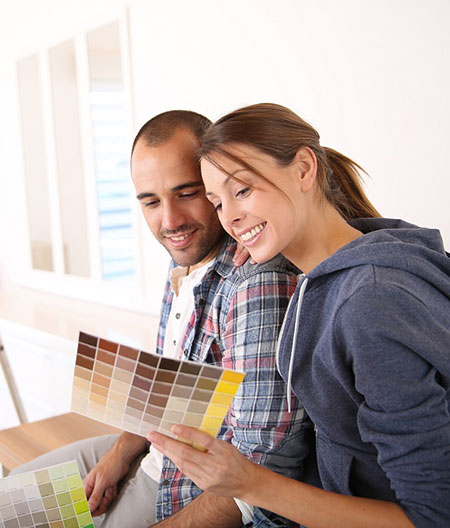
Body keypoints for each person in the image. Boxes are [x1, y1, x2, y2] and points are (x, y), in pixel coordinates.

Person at [148, 103, 450, 528]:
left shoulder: (370, 304)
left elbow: (430, 518)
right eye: (217, 203)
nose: (230, 218)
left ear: (305, 169)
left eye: (242, 190)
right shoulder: (332, 272)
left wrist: (248, 482)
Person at [11, 110, 310, 528]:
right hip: (153, 453)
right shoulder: (182, 261)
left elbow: (263, 470)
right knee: (10, 506)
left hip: (184, 494)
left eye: (186, 193)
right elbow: (170, 392)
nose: (170, 221)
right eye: (151, 201)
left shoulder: (254, 282)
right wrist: (119, 455)